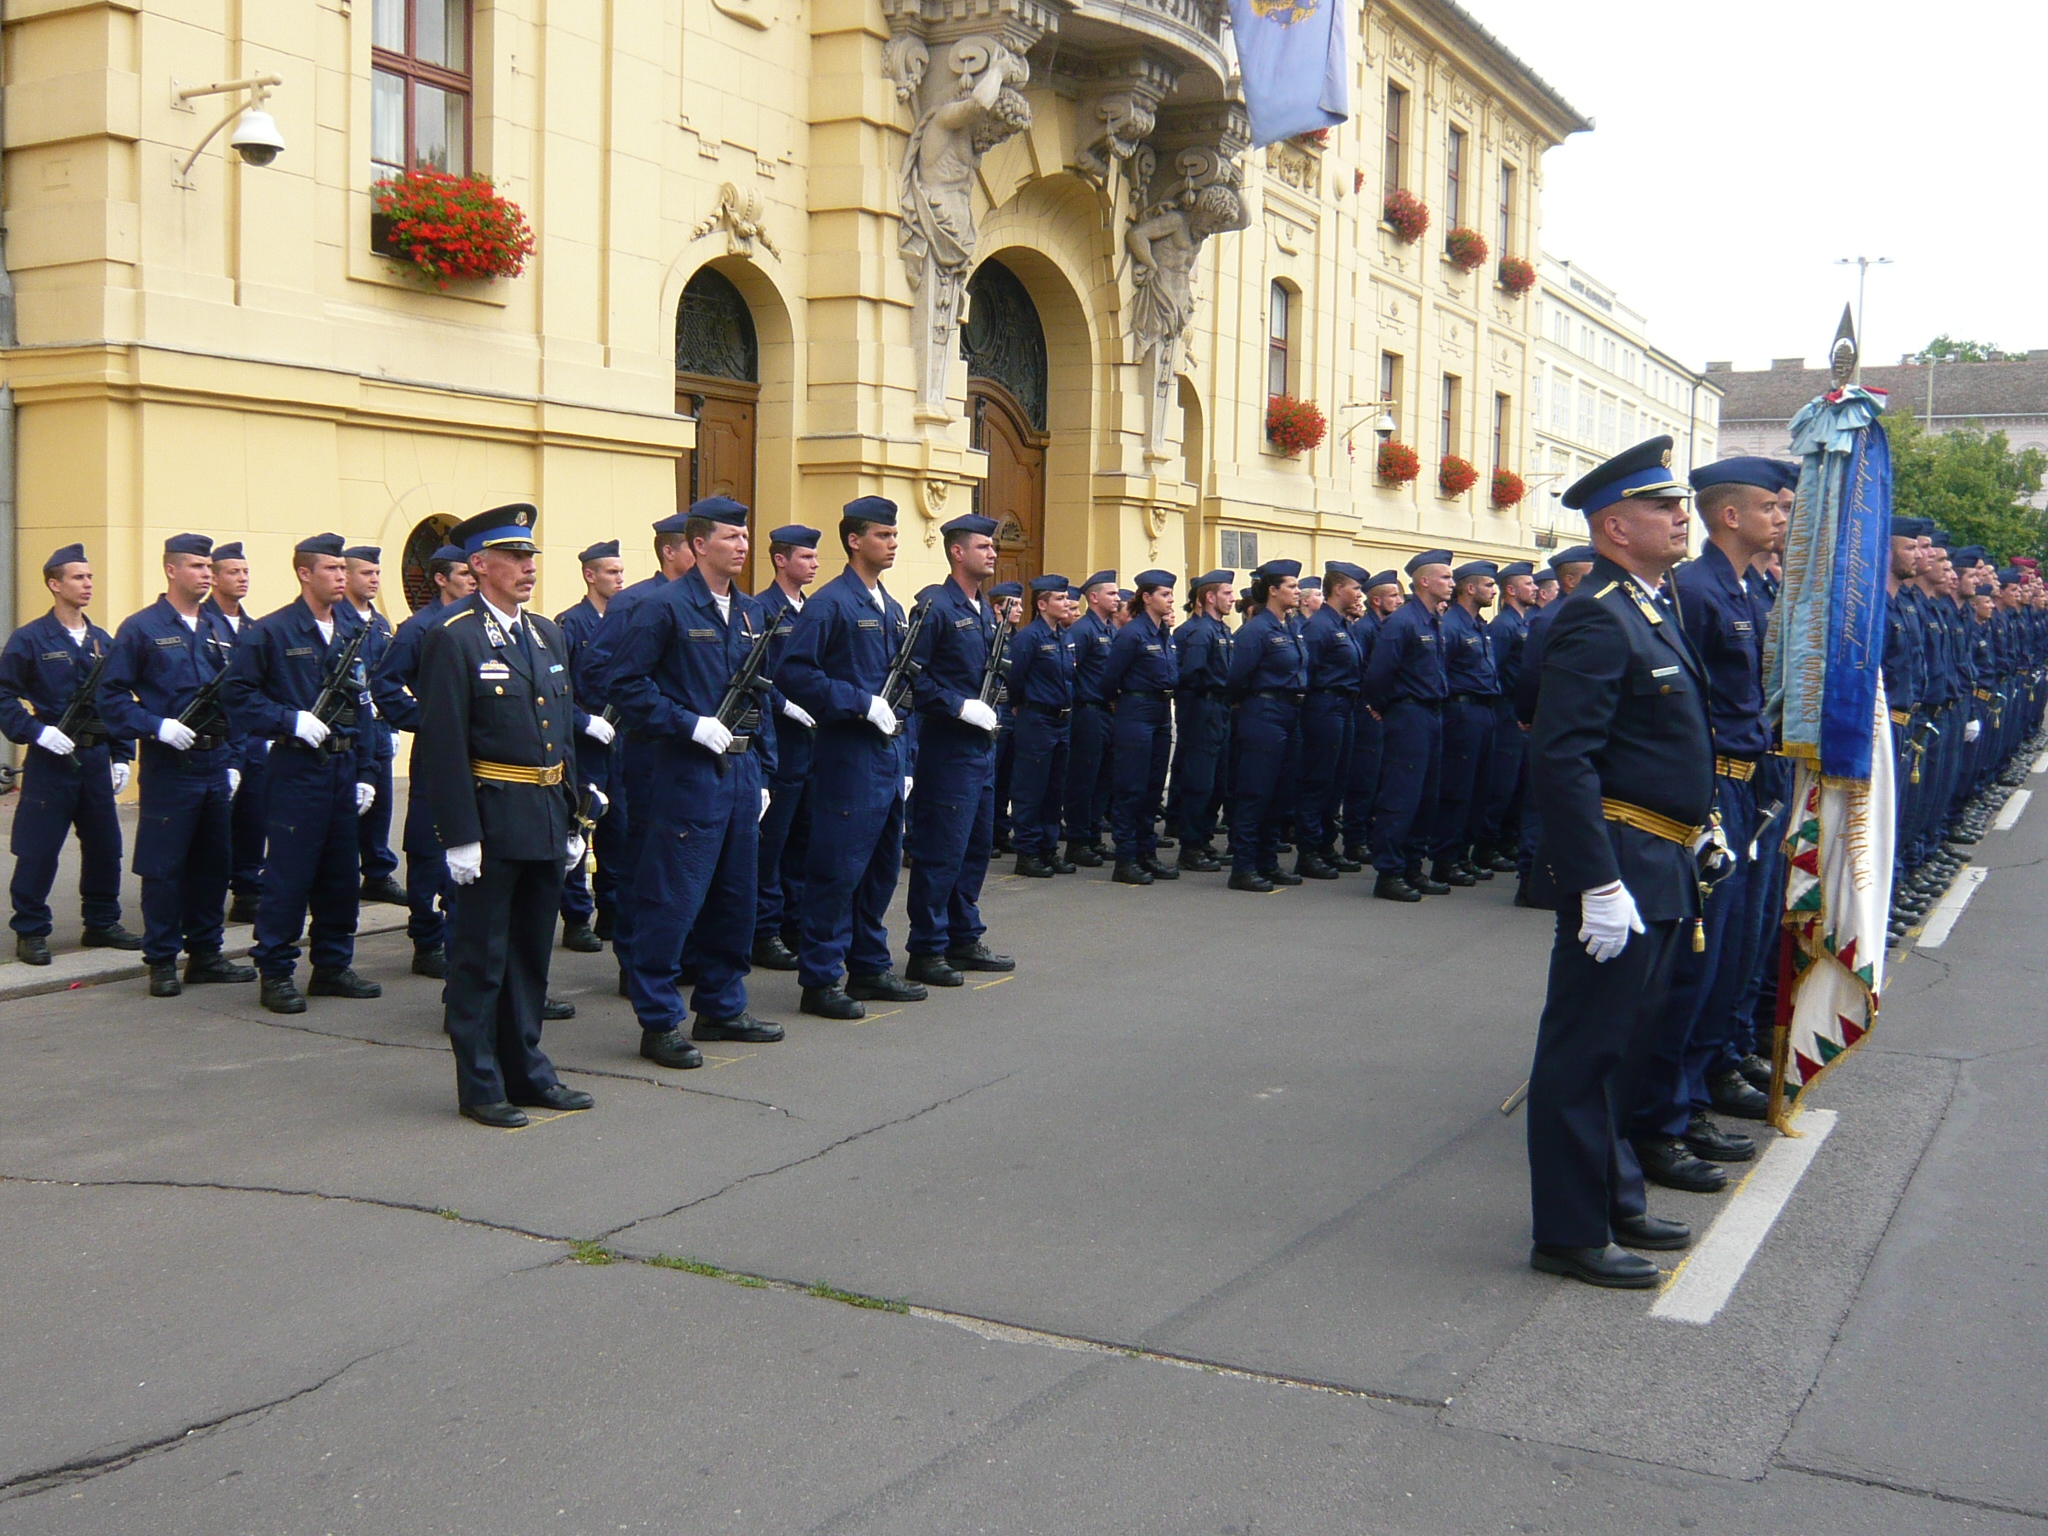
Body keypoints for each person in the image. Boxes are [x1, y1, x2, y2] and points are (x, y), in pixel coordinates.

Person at [1523, 435, 1712, 1288]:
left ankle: (1617, 1197)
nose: (1682, 517)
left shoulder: (1650, 604)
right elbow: (1564, 758)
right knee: (1583, 1054)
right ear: (1613, 526)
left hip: (1662, 856)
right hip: (1622, 863)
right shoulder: (1597, 615)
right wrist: (1595, 881)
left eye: (1679, 505)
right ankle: (1568, 1231)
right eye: (1663, 507)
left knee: (1628, 1048)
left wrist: (1698, 820)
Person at [1615, 459, 1789, 1195]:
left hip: (1747, 781)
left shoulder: (1743, 585)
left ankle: (1699, 1081)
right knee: (1696, 960)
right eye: (1769, 507)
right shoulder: (1696, 591)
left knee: (1734, 947)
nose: (1781, 518)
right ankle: (1665, 1114)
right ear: (1732, 515)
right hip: (1709, 786)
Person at [414, 503, 594, 1129]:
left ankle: (529, 1071)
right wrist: (459, 837)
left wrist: (573, 818)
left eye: (530, 557)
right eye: (515, 558)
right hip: (490, 823)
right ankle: (481, 1084)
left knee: (530, 957)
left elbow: (562, 734)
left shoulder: (546, 633)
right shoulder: (453, 637)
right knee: (480, 958)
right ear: (479, 565)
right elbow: (441, 745)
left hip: (543, 815)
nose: (527, 567)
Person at [608, 496, 787, 1064]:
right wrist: (687, 724)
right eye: (730, 537)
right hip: (683, 774)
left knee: (736, 898)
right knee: (673, 900)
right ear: (698, 545)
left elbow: (759, 694)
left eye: (744, 535)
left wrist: (763, 769)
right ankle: (660, 1021)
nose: (741, 545)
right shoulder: (663, 608)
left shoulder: (752, 612)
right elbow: (626, 686)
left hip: (738, 771)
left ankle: (722, 1006)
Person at [775, 496, 925, 1020]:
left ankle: (868, 965)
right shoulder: (831, 603)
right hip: (846, 757)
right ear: (855, 540)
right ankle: (820, 979)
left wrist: (906, 757)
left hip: (887, 757)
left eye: (894, 535)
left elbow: (904, 685)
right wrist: (859, 702)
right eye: (883, 535)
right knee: (836, 872)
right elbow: (795, 674)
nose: (893, 543)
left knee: (881, 870)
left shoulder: (889, 604)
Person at [222, 533, 384, 1015]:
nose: (340, 576)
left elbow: (365, 704)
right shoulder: (272, 632)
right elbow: (237, 696)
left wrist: (368, 771)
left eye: (342, 569)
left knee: (339, 874)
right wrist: (288, 719)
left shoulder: (356, 628)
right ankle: (275, 970)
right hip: (296, 767)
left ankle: (332, 965)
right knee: (289, 876)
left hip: (344, 763)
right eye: (332, 569)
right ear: (304, 573)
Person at [97, 534, 254, 997]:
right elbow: (110, 698)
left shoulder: (219, 628)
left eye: (209, 567)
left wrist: (235, 759)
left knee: (213, 865)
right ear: (170, 570)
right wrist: (154, 726)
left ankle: (205, 954)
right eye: (195, 566)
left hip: (215, 762)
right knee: (164, 868)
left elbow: (238, 698)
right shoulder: (141, 628)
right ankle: (162, 959)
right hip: (170, 765)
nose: (206, 574)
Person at [0, 544, 140, 963]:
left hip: (95, 759)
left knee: (104, 845)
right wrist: (35, 732)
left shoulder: (102, 641)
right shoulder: (30, 639)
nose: (88, 584)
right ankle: (30, 929)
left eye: (91, 577)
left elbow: (118, 702)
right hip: (51, 762)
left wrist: (120, 754)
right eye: (79, 577)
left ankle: (101, 922)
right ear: (54, 584)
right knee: (38, 847)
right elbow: (4, 696)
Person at [585, 512, 698, 997]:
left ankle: (676, 955)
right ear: (671, 551)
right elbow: (598, 672)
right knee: (643, 859)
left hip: (693, 752)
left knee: (686, 859)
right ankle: (634, 962)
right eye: (694, 545)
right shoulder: (636, 601)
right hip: (649, 750)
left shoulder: (708, 603)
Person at [902, 513, 1014, 984]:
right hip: (947, 747)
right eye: (983, 546)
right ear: (957, 552)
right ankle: (926, 948)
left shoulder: (982, 608)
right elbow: (911, 674)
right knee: (940, 850)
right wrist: (959, 706)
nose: (992, 553)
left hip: (980, 748)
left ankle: (962, 936)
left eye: (992, 546)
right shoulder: (935, 605)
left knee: (973, 848)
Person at [372, 543, 475, 978]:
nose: (472, 578)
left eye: (475, 571)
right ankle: (427, 937)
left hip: (478, 754)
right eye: (463, 572)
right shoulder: (420, 628)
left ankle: (463, 932)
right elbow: (387, 685)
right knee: (430, 845)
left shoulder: (477, 622)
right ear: (440, 579)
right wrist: (427, 720)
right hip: (436, 754)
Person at [1359, 551, 1453, 902]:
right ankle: (1390, 873)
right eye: (1445, 577)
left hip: (1431, 713)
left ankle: (1413, 867)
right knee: (1401, 795)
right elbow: (1378, 673)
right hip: (1408, 714)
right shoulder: (1403, 622)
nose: (1452, 583)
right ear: (1424, 581)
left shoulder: (1433, 620)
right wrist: (1385, 707)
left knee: (1427, 797)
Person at [751, 525, 823, 970]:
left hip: (813, 743)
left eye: (815, 558)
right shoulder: (761, 610)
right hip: (779, 741)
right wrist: (787, 706)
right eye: (805, 557)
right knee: (771, 843)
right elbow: (757, 676)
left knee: (804, 840)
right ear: (780, 560)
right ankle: (764, 930)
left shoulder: (812, 610)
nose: (814, 564)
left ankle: (795, 922)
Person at [553, 539, 627, 953]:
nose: (620, 579)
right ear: (590, 575)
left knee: (619, 829)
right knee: (581, 827)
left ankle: (611, 910)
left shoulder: (625, 619)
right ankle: (577, 916)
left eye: (621, 571)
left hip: (620, 739)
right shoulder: (571, 624)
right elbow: (557, 690)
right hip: (586, 743)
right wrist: (584, 722)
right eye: (612, 572)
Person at [1514, 545, 1596, 902]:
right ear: (1569, 580)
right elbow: (1529, 675)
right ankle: (1531, 882)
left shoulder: (1592, 612)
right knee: (1540, 805)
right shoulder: (1550, 619)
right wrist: (1529, 716)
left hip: (1584, 724)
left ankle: (1560, 880)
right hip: (1552, 723)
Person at [1224, 559, 1307, 893]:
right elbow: (1236, 677)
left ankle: (1267, 862)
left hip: (1290, 713)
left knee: (1281, 792)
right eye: (1291, 586)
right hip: (1264, 711)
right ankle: (1243, 867)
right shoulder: (1256, 630)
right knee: (1256, 792)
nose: (1297, 591)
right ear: (1272, 590)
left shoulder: (1290, 626)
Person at [1102, 570, 1180, 886]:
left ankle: (1146, 853)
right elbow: (1109, 679)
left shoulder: (1163, 633)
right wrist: (1120, 703)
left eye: (1172, 595)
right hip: (1136, 709)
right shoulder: (1133, 634)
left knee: (1151, 788)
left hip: (1161, 711)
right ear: (1147, 598)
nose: (1171, 599)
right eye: (1165, 594)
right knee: (1130, 788)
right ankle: (1125, 859)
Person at [203, 541, 266, 924]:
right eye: (233, 572)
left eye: (245, 572)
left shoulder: (254, 628)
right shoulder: (202, 623)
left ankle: (247, 890)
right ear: (213, 577)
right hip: (215, 736)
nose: (242, 579)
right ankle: (201, 898)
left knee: (252, 819)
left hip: (253, 740)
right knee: (212, 826)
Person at [1431, 559, 1501, 887]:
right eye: (1488, 585)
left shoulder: (1478, 624)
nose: (1494, 591)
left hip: (1485, 711)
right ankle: (1445, 859)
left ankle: (1463, 854)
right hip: (1462, 711)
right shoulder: (1453, 625)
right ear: (1470, 588)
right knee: (1457, 789)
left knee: (1480, 788)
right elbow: (1438, 671)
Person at [343, 546, 405, 906]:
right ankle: (341, 876)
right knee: (347, 805)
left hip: (379, 728)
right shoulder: (336, 617)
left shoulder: (379, 623)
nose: (374, 580)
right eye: (367, 573)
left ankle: (377, 873)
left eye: (378, 574)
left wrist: (394, 728)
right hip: (349, 728)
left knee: (379, 805)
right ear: (347, 575)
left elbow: (387, 678)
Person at [1297, 562, 1367, 879]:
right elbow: (1306, 671)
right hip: (1323, 706)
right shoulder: (1320, 626)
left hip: (1343, 707)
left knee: (1336, 782)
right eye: (1355, 588)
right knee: (1318, 781)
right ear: (1338, 589)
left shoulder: (1341, 624)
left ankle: (1326, 846)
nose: (1359, 595)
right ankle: (1309, 852)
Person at [1008, 574, 1077, 878]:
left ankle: (1048, 849)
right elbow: (1015, 679)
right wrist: (1023, 704)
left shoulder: (1063, 636)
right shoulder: (1029, 637)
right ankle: (1027, 852)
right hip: (1036, 719)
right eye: (1060, 599)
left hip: (1062, 721)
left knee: (1054, 789)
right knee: (1030, 789)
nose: (1066, 603)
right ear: (1042, 604)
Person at [1473, 560, 1537, 874]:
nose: (1535, 588)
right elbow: (1492, 670)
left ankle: (1506, 840)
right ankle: (1486, 845)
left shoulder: (1523, 623)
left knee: (1519, 783)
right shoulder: (1503, 626)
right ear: (1511, 590)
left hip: (1519, 711)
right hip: (1506, 710)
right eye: (1528, 583)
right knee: (1502, 783)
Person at [1170, 570, 1235, 872]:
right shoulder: (1199, 631)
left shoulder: (1219, 629)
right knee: (1200, 780)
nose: (1232, 598)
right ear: (1210, 597)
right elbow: (1190, 674)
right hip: (1203, 708)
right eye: (1226, 593)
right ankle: (1191, 845)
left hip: (1218, 708)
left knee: (1215, 780)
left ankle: (1203, 839)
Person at [1339, 571, 1401, 867]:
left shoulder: (1386, 626)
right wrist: (1373, 703)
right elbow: (1364, 671)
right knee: (1363, 777)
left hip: (1381, 710)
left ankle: (1367, 834)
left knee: (1377, 775)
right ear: (1376, 600)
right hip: (1366, 711)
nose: (1399, 601)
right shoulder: (1366, 629)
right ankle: (1355, 839)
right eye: (1393, 596)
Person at [1062, 571, 1119, 867]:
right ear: (1094, 597)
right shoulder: (1082, 630)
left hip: (1107, 713)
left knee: (1102, 779)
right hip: (1087, 712)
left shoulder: (1110, 630)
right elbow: (1069, 672)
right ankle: (1077, 841)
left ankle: (1093, 836)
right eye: (1111, 593)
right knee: (1083, 779)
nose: (1118, 598)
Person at [989, 581, 1025, 856]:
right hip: (994, 710)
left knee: (1008, 777)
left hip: (1013, 712)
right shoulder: (992, 635)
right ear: (998, 607)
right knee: (992, 772)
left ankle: (1001, 829)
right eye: (1014, 604)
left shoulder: (1017, 638)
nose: (1020, 610)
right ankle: (987, 831)